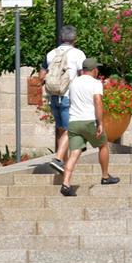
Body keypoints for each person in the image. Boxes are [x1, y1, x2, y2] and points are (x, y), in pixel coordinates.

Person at [59, 58, 120, 197]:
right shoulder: (95, 83)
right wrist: (100, 123)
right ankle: (105, 177)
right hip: (89, 121)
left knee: (74, 153)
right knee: (103, 145)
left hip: (74, 122)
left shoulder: (73, 82)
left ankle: (66, 183)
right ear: (94, 70)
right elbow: (98, 101)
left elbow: (70, 102)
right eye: (97, 69)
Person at [44, 26, 85, 175]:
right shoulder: (78, 54)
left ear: (61, 38)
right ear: (75, 39)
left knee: (62, 129)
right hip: (69, 96)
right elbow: (82, 75)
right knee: (70, 129)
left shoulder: (50, 54)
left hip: (53, 96)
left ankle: (63, 163)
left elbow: (43, 74)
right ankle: (58, 159)